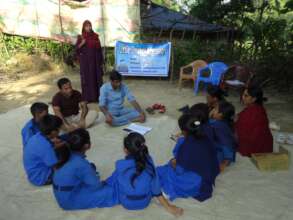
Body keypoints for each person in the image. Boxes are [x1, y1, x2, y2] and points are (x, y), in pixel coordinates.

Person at [105, 132, 183, 217]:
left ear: (125, 150)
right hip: (144, 202)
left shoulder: (119, 164)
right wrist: (168, 206)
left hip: (126, 203)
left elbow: (111, 180)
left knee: (116, 179)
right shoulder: (149, 161)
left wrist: (104, 182)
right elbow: (156, 188)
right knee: (153, 176)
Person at [157, 110, 219, 202]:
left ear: (183, 131)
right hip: (208, 176)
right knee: (166, 168)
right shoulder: (205, 137)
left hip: (196, 183)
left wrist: (173, 163)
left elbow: (179, 170)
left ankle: (169, 191)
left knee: (164, 171)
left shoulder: (186, 146)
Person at [52, 128, 118, 210]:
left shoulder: (65, 155)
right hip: (70, 200)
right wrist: (103, 182)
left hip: (63, 195)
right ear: (87, 145)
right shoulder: (81, 163)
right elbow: (96, 186)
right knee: (112, 192)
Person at [23, 115, 64, 186]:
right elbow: (56, 166)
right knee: (71, 166)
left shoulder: (36, 136)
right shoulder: (46, 146)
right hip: (42, 178)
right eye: (59, 129)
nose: (60, 131)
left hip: (33, 174)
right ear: (53, 132)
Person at [235, 85, 273, 157]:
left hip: (255, 147)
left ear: (254, 99)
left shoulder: (254, 112)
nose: (242, 97)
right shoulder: (257, 108)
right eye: (243, 94)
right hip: (266, 145)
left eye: (246, 96)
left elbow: (244, 131)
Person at [75, 20, 103, 102]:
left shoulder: (95, 36)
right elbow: (76, 50)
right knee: (87, 79)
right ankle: (87, 98)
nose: (89, 28)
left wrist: (101, 62)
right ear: (83, 27)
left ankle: (98, 97)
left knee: (96, 78)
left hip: (95, 62)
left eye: (90, 26)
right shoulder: (81, 37)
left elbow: (99, 50)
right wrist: (82, 43)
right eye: (86, 26)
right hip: (86, 63)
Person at [209, 100, 237, 171]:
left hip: (221, 153)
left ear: (220, 114)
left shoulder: (219, 126)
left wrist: (225, 161)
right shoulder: (218, 122)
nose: (213, 110)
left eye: (215, 109)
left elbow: (226, 144)